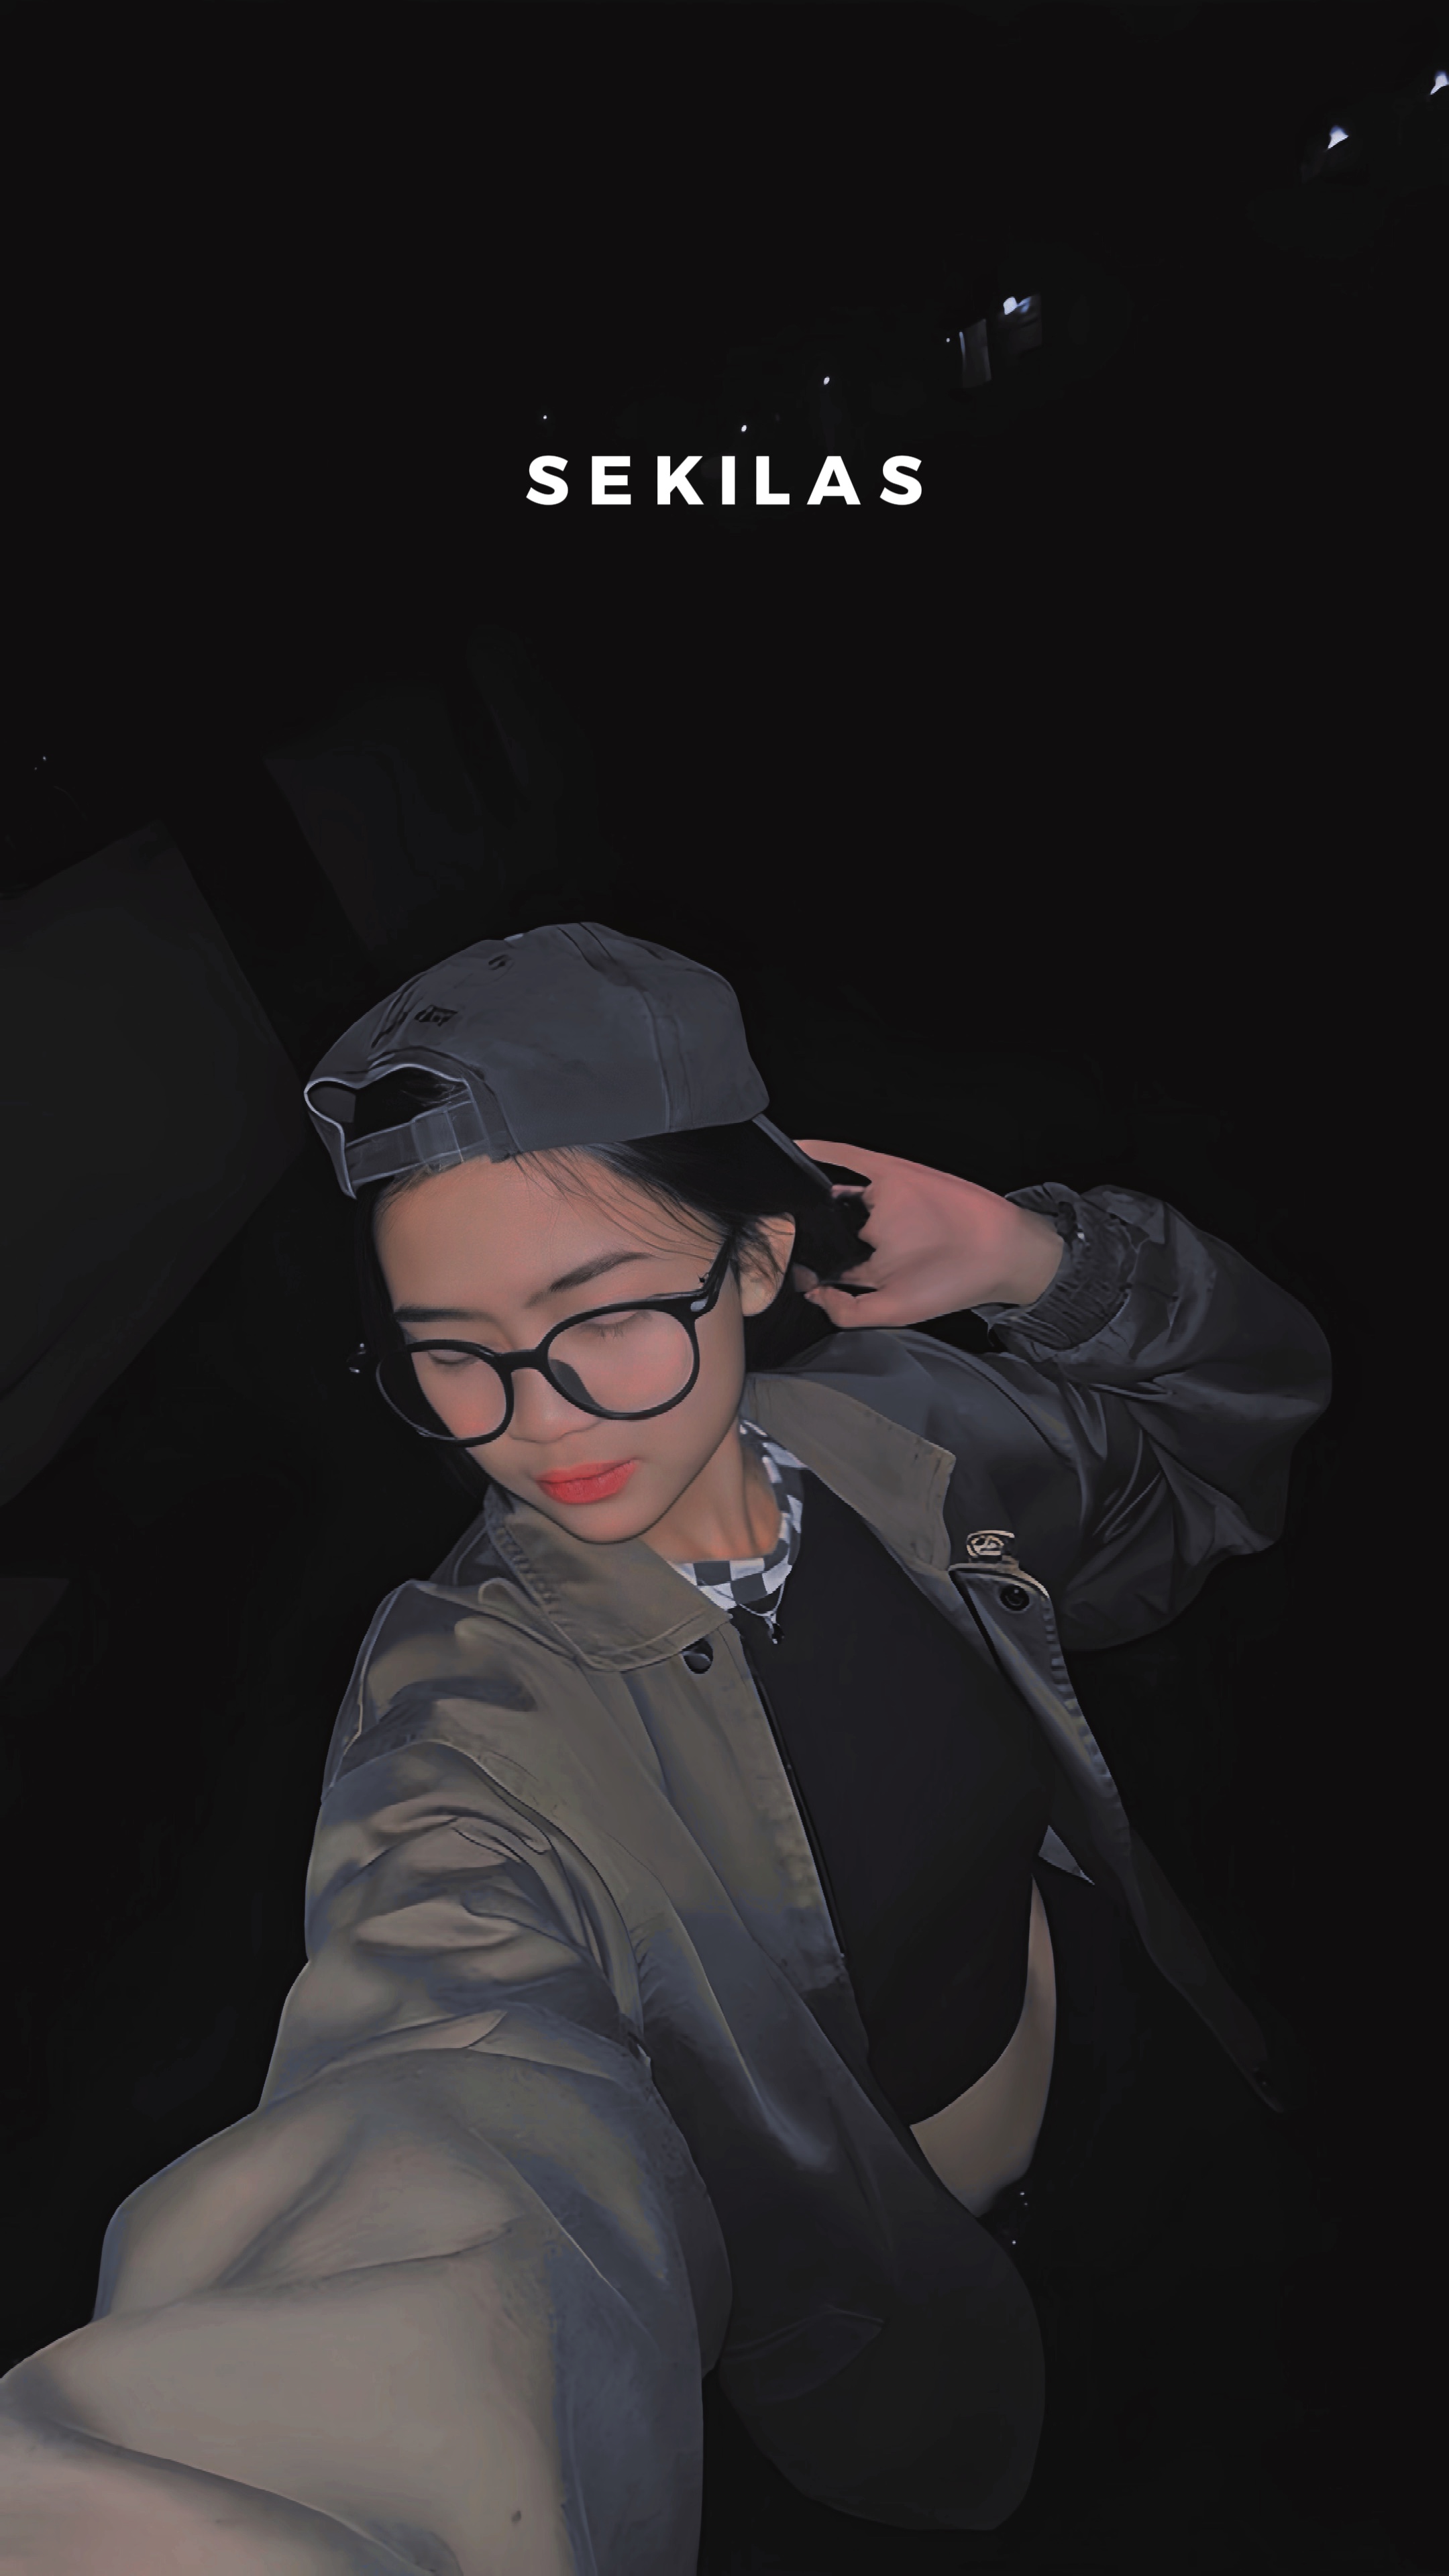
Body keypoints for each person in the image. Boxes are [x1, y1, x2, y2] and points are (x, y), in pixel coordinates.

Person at [0, 922, 1332, 2575]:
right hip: (922, 2315)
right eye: (450, 1351)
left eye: (605, 1312)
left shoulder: (901, 1431)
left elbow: (1217, 1444)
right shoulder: (464, 1710)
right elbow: (444, 2082)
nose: (536, 1416)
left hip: (1162, 2082)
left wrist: (1029, 1259)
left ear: (757, 1262)